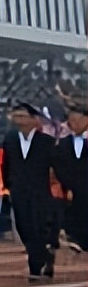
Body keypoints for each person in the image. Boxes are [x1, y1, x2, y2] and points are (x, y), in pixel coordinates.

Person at [1, 102, 57, 281]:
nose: (19, 119)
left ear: (34, 119)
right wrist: (8, 185)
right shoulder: (10, 139)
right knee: (23, 227)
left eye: (23, 116)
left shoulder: (47, 142)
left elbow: (56, 168)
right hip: (18, 191)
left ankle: (36, 265)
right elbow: (6, 164)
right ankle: (45, 257)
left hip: (40, 191)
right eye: (16, 116)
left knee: (38, 227)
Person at [53, 102, 88, 254]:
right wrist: (68, 184)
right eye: (70, 120)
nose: (71, 123)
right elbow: (58, 165)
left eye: (75, 119)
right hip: (73, 191)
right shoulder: (63, 145)